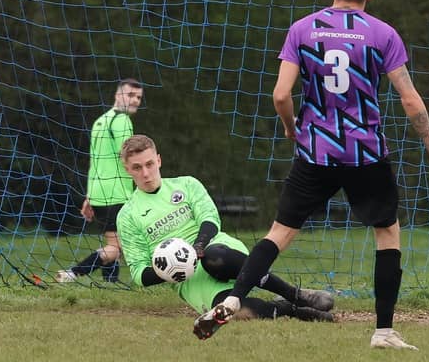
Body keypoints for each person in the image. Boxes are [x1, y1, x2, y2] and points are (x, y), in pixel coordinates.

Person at [194, 0, 429, 349]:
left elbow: (281, 94)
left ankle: (234, 298)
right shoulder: (382, 34)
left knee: (280, 233)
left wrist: (291, 127)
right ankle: (383, 332)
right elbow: (411, 101)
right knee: (387, 233)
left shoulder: (302, 29)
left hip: (315, 152)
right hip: (365, 154)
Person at [116, 134, 335, 332]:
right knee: (233, 312)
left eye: (149, 164)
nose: (145, 173)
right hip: (190, 281)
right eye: (137, 168)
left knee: (214, 257)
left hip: (220, 252)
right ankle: (289, 309)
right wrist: (170, 270)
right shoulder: (127, 216)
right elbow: (138, 273)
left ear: (159, 160)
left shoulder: (187, 184)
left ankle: (295, 294)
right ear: (127, 170)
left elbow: (211, 220)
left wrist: (198, 247)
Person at [56, 78, 143, 283]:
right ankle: (72, 274)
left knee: (113, 241)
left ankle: (110, 283)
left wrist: (89, 196)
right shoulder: (122, 121)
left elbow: (95, 162)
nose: (135, 100)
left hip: (99, 193)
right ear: (117, 94)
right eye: (131, 95)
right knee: (116, 248)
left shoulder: (100, 120)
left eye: (139, 97)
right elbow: (129, 158)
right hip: (117, 193)